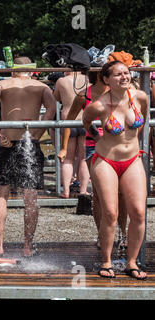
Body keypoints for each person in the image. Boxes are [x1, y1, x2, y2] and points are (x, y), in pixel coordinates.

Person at [83, 61, 148, 280]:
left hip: (132, 159)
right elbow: (86, 121)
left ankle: (132, 262)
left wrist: (134, 142)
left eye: (126, 73)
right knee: (110, 213)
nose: (124, 77)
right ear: (106, 79)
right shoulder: (99, 104)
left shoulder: (140, 97)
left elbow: (143, 119)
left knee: (139, 212)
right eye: (118, 74)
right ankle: (107, 261)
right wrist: (96, 136)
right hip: (105, 160)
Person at [0, 56, 56, 258]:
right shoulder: (40, 86)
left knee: (1, 193)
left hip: (7, 140)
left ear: (12, 70)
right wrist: (37, 132)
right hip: (30, 140)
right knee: (30, 196)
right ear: (33, 71)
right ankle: (28, 245)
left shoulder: (2, 84)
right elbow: (53, 109)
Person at [57, 71, 128, 249]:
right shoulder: (84, 96)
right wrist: (64, 147)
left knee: (121, 192)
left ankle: (123, 234)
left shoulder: (118, 93)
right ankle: (102, 234)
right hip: (93, 146)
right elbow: (69, 121)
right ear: (103, 77)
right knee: (98, 193)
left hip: (116, 145)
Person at [54, 71, 90, 198]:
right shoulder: (88, 78)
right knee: (83, 158)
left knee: (68, 158)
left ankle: (66, 191)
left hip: (68, 120)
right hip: (85, 119)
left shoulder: (62, 81)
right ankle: (83, 190)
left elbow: (57, 97)